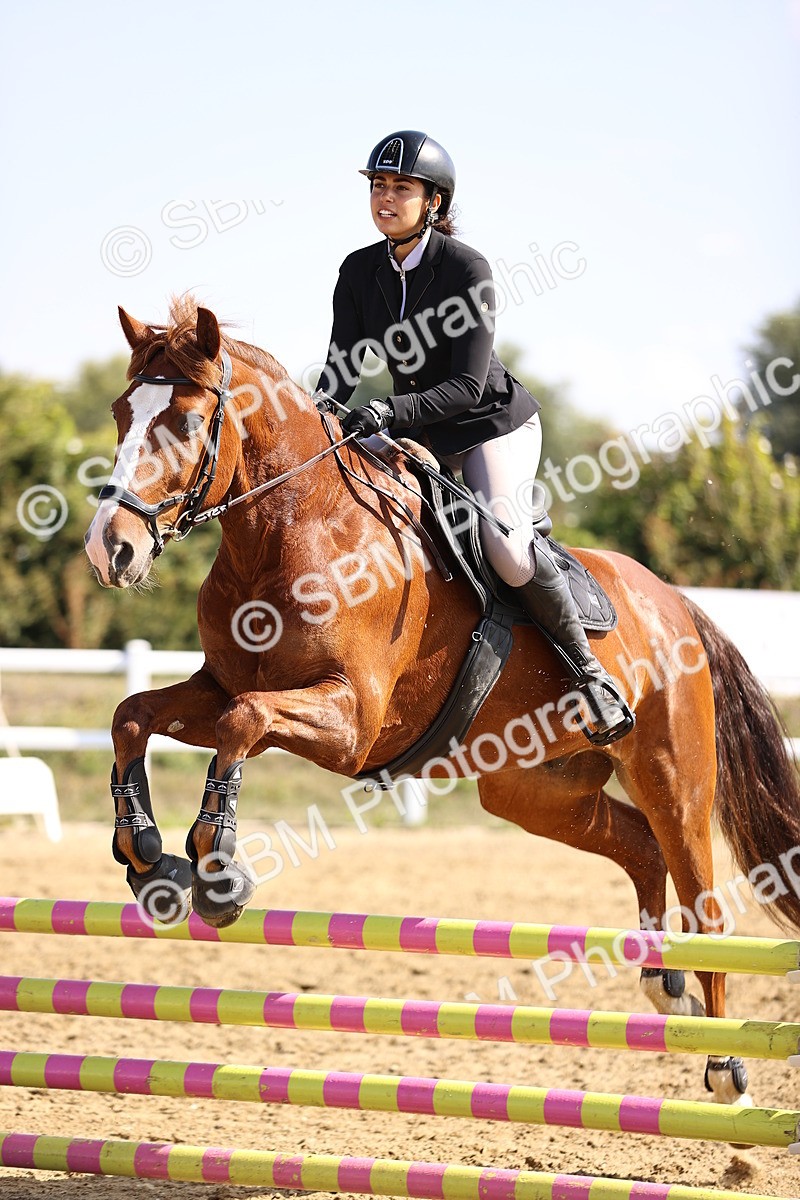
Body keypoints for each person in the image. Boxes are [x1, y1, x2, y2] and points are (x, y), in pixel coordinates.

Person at [316, 130, 633, 745]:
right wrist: (317, 419)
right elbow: (340, 368)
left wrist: (387, 409)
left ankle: (591, 674)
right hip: (420, 429)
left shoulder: (467, 269)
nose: (385, 198)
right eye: (378, 186)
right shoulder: (358, 271)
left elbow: (465, 384)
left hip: (490, 424)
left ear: (433, 201)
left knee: (507, 550)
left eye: (400, 188)